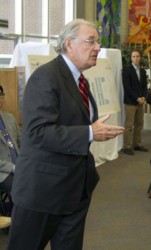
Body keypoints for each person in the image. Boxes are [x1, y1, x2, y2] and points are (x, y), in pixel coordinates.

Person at [8, 19, 124, 250]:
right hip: (43, 191)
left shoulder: (80, 80)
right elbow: (39, 133)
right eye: (90, 41)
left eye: (98, 41)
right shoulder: (45, 77)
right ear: (69, 44)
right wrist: (90, 132)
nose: (98, 47)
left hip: (75, 189)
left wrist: (93, 129)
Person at [122, 49, 148, 155]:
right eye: (134, 56)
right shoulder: (127, 70)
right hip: (130, 102)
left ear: (140, 58)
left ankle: (137, 144)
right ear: (131, 58)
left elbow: (145, 87)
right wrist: (136, 98)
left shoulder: (143, 71)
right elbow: (127, 87)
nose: (136, 58)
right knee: (129, 125)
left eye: (137, 56)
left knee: (139, 124)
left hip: (140, 102)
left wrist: (143, 97)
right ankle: (127, 146)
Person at [0, 85, 20, 194]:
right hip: (3, 172)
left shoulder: (10, 118)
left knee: (40, 180)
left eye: (0, 95)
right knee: (20, 188)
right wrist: (13, 168)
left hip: (20, 166)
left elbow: (22, 142)